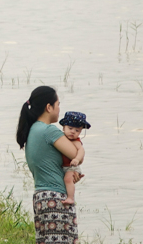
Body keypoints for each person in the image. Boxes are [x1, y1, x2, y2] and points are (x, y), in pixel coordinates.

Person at [16, 86, 82, 244]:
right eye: (58, 104)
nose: (59, 109)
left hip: (40, 197)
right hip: (56, 199)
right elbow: (74, 153)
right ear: (48, 107)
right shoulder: (49, 131)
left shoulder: (33, 130)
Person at [59, 111, 90, 205]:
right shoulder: (60, 138)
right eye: (70, 128)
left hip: (72, 166)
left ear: (80, 132)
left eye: (77, 130)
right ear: (63, 128)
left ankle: (70, 198)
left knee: (68, 180)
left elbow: (81, 150)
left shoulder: (76, 141)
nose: (73, 132)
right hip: (64, 166)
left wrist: (76, 159)